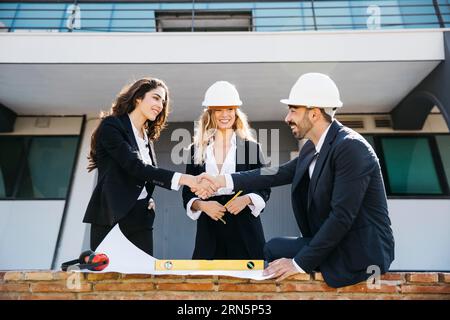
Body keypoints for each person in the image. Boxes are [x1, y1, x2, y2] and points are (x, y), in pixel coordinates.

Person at [200, 73, 395, 288]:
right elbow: (275, 174)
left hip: (358, 250)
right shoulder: (312, 148)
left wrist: (298, 264)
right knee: (273, 249)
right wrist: (222, 180)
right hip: (335, 242)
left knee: (288, 260)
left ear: (314, 114)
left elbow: (341, 217)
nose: (287, 118)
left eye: (293, 110)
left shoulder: (351, 148)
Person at [83, 77, 216, 256]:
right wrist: (187, 179)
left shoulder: (146, 137)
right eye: (155, 97)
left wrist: (145, 196)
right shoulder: (112, 126)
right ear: (138, 97)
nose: (160, 105)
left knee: (143, 278)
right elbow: (135, 166)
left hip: (141, 217)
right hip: (111, 214)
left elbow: (144, 176)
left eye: (163, 101)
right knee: (108, 279)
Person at [182, 81, 270, 260]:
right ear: (210, 113)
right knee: (207, 283)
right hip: (210, 228)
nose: (225, 115)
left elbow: (264, 187)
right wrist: (203, 205)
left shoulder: (251, 149)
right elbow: (187, 192)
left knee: (249, 284)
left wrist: (246, 199)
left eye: (230, 109)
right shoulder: (195, 150)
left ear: (236, 112)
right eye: (218, 110)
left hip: (245, 227)